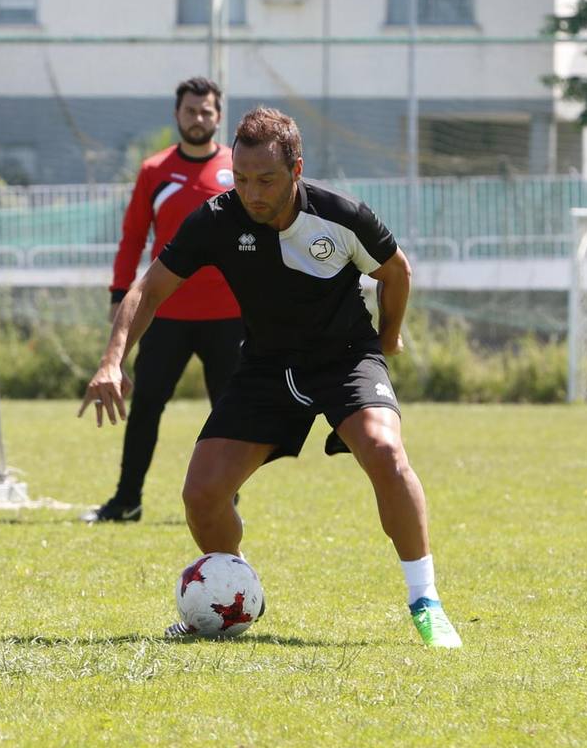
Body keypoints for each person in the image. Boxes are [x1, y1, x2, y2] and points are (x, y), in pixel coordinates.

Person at [80, 107, 462, 648]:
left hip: (345, 358)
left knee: (385, 452)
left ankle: (426, 602)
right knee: (202, 495)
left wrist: (389, 337)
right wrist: (112, 359)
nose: (252, 193)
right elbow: (150, 288)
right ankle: (234, 595)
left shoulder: (341, 215)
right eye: (241, 179)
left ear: (296, 170)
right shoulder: (216, 219)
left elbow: (395, 270)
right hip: (266, 365)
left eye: (267, 180)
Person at [82, 77, 243, 524]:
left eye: (206, 111)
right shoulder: (154, 170)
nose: (198, 118)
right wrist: (120, 297)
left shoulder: (237, 169)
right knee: (146, 407)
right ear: (177, 115)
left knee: (231, 414)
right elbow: (132, 237)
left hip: (230, 317)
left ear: (218, 116)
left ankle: (226, 500)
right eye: (190, 111)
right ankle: (126, 501)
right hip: (165, 313)